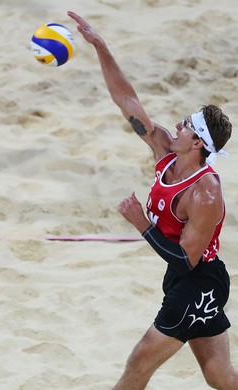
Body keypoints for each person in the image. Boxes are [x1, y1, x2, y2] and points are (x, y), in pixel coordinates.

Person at [68, 11, 238, 389]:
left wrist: (140, 222)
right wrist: (101, 47)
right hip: (182, 279)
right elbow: (126, 99)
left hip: (198, 282)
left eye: (187, 126)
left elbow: (186, 258)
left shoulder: (205, 193)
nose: (177, 125)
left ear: (197, 144)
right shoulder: (164, 149)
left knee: (138, 363)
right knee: (220, 377)